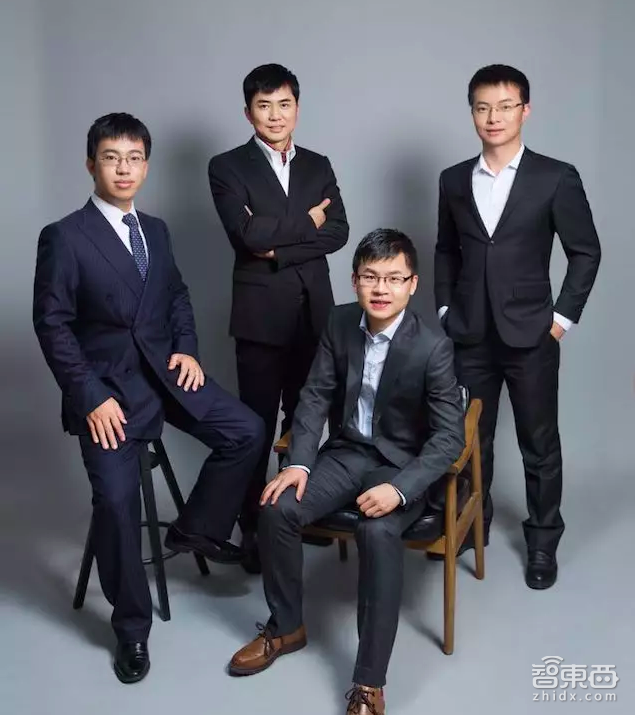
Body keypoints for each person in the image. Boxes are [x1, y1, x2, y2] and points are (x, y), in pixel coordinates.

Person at [33, 113, 264, 683]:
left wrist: (187, 349)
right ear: (91, 164)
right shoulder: (65, 236)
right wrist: (89, 397)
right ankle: (131, 629)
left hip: (165, 373)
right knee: (116, 503)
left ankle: (195, 529)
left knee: (247, 430)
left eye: (134, 158)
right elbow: (52, 325)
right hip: (106, 392)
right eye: (112, 158)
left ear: (146, 165)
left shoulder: (155, 230)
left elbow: (176, 295)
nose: (124, 169)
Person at [228, 230, 464, 715]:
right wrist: (298, 463)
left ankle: (369, 681)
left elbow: (448, 438)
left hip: (400, 465)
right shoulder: (338, 322)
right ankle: (287, 626)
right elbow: (314, 395)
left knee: (377, 532)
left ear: (412, 284)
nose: (381, 289)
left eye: (393, 278)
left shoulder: (433, 346)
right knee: (277, 507)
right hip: (346, 454)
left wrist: (400, 490)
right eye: (371, 277)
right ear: (355, 281)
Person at [434, 64, 601, 589]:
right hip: (469, 334)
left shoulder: (555, 177)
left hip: (532, 334)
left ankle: (543, 541)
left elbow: (585, 251)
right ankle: (472, 524)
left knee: (539, 442)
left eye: (505, 107)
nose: (494, 117)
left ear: (525, 110)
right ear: (472, 113)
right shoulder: (453, 179)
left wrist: (561, 320)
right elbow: (445, 249)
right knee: (469, 440)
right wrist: (445, 311)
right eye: (483, 107)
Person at [208, 64, 349, 573]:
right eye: (264, 106)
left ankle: (295, 516)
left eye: (284, 104)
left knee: (307, 420)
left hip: (315, 315)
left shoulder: (318, 164)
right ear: (248, 112)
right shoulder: (227, 167)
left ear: (297, 108)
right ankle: (253, 527)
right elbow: (247, 237)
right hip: (260, 319)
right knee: (257, 426)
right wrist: (307, 223)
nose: (275, 115)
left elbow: (339, 231)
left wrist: (277, 244)